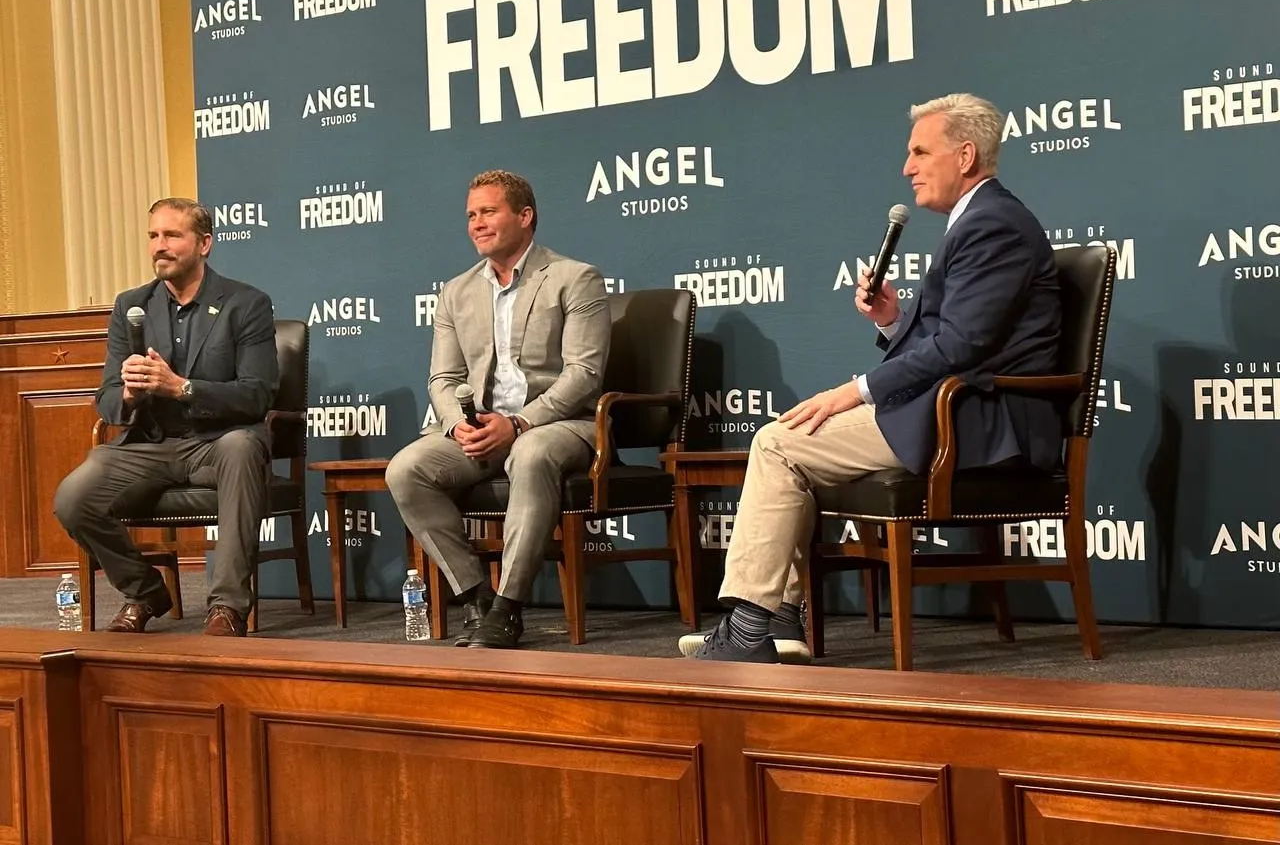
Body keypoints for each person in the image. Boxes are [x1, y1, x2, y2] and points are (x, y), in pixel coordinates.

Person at [682, 93, 1062, 663]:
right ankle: (779, 620)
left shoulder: (993, 225)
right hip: (948, 404)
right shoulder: (980, 220)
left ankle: (749, 629)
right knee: (791, 441)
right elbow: (961, 336)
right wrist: (892, 319)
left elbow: (963, 347)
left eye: (919, 152)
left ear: (964, 156)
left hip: (976, 417)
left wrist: (854, 390)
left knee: (778, 443)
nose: (907, 168)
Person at [386, 170, 611, 650]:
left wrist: (520, 422)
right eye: (471, 214)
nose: (476, 223)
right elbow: (443, 379)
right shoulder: (456, 291)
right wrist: (457, 425)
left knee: (529, 453)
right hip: (482, 428)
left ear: (525, 216)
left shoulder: (575, 278)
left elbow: (584, 375)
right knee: (406, 470)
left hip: (558, 423)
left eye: (489, 211)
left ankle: (508, 608)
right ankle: (476, 598)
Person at [54, 198, 279, 637]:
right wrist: (132, 393)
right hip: (150, 445)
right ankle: (145, 592)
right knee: (73, 497)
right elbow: (107, 399)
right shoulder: (131, 306)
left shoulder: (245, 303)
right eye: (154, 236)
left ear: (205, 244)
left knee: (242, 446)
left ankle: (227, 608)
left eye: (173, 235)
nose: (160, 246)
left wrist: (182, 387)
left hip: (217, 442)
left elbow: (257, 395)